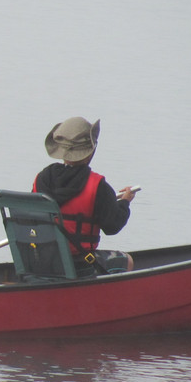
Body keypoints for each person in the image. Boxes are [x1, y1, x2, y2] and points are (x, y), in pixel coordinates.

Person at [32, 116, 139, 276]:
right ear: (89, 153)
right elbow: (112, 226)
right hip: (79, 263)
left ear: (62, 152)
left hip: (42, 261)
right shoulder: (98, 186)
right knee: (127, 260)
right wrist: (125, 202)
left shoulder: (41, 178)